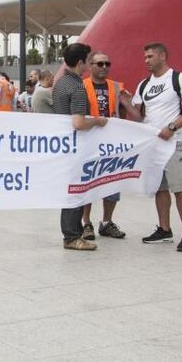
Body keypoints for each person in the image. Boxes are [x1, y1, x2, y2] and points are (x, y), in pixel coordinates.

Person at [130, 42, 182, 253]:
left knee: (179, 188)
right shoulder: (144, 84)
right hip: (154, 145)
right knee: (160, 189)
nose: (146, 61)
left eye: (150, 57)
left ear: (162, 56)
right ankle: (164, 229)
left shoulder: (179, 79)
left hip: (174, 142)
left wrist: (172, 127)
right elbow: (139, 116)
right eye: (145, 57)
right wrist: (126, 103)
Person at [52, 43, 107, 251]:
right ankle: (72, 236)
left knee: (70, 191)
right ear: (81, 62)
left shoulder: (60, 82)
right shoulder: (77, 87)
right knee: (75, 191)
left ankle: (71, 234)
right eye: (88, 60)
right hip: (75, 147)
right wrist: (97, 121)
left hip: (63, 145)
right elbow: (78, 123)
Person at [80, 52, 136, 240]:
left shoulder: (116, 87)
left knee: (112, 181)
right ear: (90, 65)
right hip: (89, 140)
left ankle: (106, 222)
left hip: (111, 142)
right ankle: (86, 223)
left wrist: (127, 103)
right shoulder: (82, 85)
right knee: (88, 181)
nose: (104, 67)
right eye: (100, 63)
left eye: (107, 63)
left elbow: (124, 113)